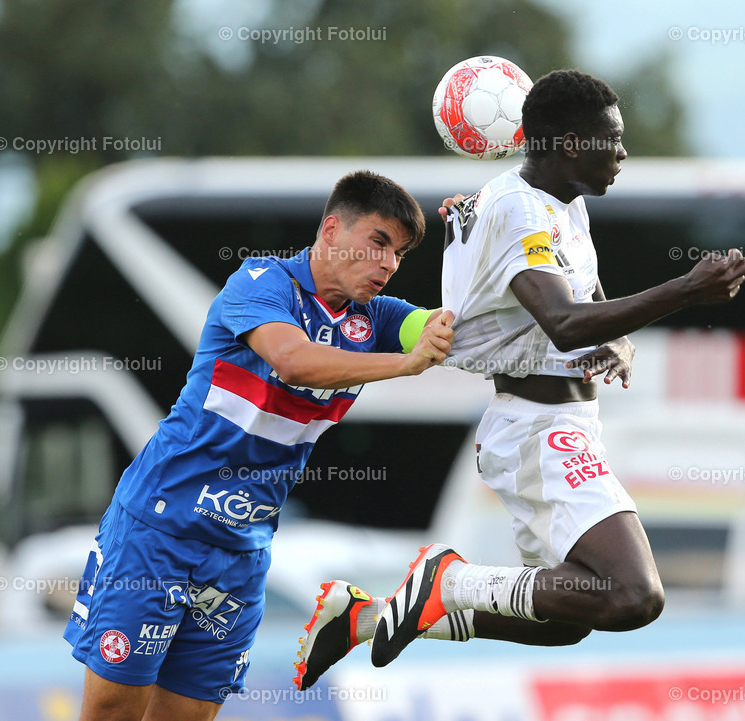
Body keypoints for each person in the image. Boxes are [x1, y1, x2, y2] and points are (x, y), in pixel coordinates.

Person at [296, 70, 745, 685]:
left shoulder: (560, 206)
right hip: (540, 431)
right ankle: (448, 580)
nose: (622, 153)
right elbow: (563, 322)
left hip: (559, 425)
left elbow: (581, 309)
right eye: (611, 140)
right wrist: (686, 290)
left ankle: (366, 619)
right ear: (569, 145)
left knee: (565, 617)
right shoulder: (516, 209)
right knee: (633, 595)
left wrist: (612, 341)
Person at [64, 169, 455, 721]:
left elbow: (451, 329)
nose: (389, 264)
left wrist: (474, 250)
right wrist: (406, 363)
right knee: (111, 711)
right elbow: (293, 360)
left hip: (240, 553)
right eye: (378, 242)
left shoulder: (379, 319)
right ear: (331, 230)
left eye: (400, 254)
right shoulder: (261, 282)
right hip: (160, 528)